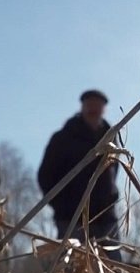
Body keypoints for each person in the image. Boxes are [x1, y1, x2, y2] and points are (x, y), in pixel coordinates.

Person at [38, 89, 121, 260]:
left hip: (106, 219)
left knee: (113, 269)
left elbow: (114, 171)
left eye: (97, 106)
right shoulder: (63, 138)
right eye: (89, 105)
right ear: (82, 107)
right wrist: (62, 207)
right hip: (71, 219)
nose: (93, 109)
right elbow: (45, 176)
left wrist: (110, 197)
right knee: (71, 272)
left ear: (104, 109)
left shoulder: (112, 138)